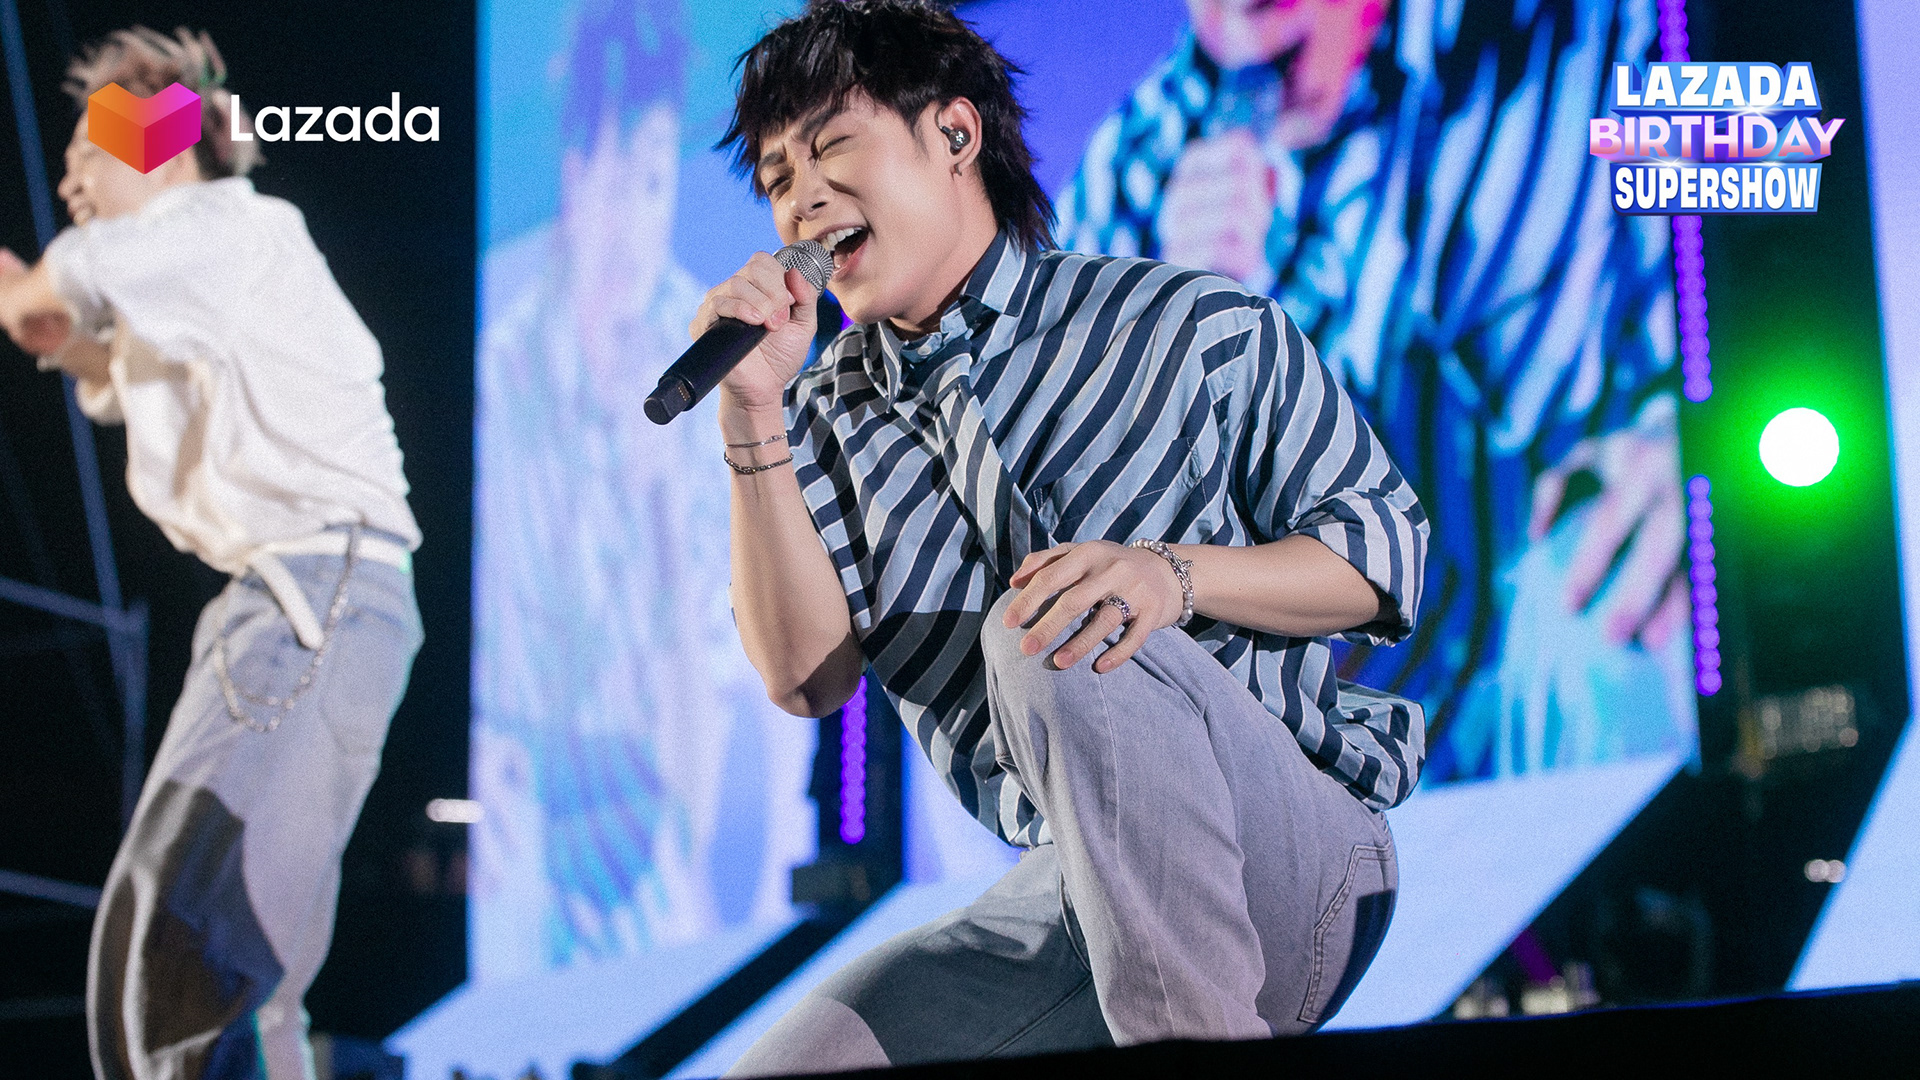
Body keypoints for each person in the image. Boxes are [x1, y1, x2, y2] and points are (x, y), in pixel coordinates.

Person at [695, 1, 1427, 1070]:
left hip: (1298, 853)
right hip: (1084, 894)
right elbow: (807, 680)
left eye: (831, 146)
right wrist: (752, 412)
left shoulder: (1183, 321)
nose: (801, 197)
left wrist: (1169, 578)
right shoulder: (819, 420)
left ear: (955, 134)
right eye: (775, 176)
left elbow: (1383, 553)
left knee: (1047, 631)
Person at [1055, 0, 1693, 781]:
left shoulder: (1596, 31)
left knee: (1643, 601)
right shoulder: (1128, 178)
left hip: (1575, 660)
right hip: (1330, 744)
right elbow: (1072, 568)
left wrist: (1697, 440)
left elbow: (1792, 202)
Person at [0, 28, 421, 1080]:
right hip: (302, 599)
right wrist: (61, 333)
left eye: (90, 153)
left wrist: (32, 299)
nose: (70, 181)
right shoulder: (208, 267)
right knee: (206, 962)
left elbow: (55, 291)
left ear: (160, 145)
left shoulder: (225, 224)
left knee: (187, 946)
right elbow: (105, 349)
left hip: (315, 591)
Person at [470, 0, 816, 979]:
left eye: (657, 182)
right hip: (530, 799)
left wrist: (659, 502)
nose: (633, 224)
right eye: (616, 182)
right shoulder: (504, 371)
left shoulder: (711, 359)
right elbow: (492, 628)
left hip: (674, 790)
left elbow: (729, 673)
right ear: (575, 178)